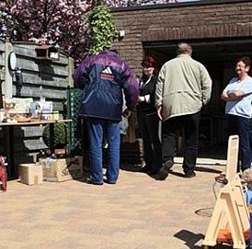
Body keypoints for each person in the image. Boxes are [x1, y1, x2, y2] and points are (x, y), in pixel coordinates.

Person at [73, 48, 138, 185]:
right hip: (113, 108)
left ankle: (97, 177)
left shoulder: (92, 60)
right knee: (114, 143)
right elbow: (132, 87)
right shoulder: (121, 65)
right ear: (116, 54)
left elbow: (77, 75)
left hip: (94, 105)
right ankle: (113, 177)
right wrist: (131, 106)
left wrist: (87, 86)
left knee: (96, 142)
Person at [154, 43, 212, 179]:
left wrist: (159, 104)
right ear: (190, 52)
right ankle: (189, 170)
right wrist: (203, 102)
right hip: (192, 105)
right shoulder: (198, 66)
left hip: (172, 105)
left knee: (168, 135)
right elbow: (207, 85)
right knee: (191, 139)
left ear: (177, 52)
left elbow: (159, 86)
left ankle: (168, 159)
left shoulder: (167, 66)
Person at [221, 57, 252, 172]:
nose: (237, 68)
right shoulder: (232, 80)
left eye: (240, 66)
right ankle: (233, 169)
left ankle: (246, 168)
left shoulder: (250, 82)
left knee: (243, 144)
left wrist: (230, 95)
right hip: (230, 114)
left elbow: (238, 94)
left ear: (247, 68)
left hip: (243, 116)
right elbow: (223, 95)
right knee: (232, 143)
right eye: (237, 66)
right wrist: (233, 96)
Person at [136, 56, 162, 175]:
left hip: (151, 113)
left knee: (154, 139)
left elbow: (157, 95)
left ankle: (157, 165)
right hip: (141, 113)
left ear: (154, 68)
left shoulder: (156, 80)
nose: (146, 70)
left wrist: (143, 98)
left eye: (149, 67)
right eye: (145, 67)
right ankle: (148, 164)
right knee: (145, 139)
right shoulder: (142, 80)